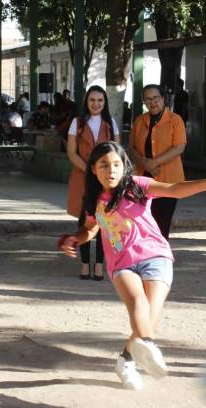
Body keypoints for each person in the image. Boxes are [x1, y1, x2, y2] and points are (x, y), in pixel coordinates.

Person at [58, 141, 206, 390]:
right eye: (104, 165)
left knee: (149, 314)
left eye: (116, 164)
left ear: (124, 167)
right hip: (122, 263)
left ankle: (126, 360)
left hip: (156, 256)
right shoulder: (95, 200)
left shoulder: (137, 186)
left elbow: (174, 189)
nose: (111, 170)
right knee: (138, 304)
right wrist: (76, 238)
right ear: (93, 169)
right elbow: (91, 228)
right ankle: (148, 348)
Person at [67, 85, 120, 280]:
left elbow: (117, 152)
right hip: (83, 177)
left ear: (104, 102)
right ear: (86, 102)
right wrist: (89, 170)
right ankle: (84, 265)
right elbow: (72, 152)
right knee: (84, 222)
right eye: (92, 100)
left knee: (104, 223)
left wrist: (102, 172)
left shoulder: (110, 123)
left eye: (100, 100)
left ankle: (99, 265)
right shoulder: (77, 122)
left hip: (105, 179)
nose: (96, 104)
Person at [129, 84, 187, 239]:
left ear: (163, 99)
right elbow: (132, 147)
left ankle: (161, 259)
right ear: (144, 102)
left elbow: (179, 147)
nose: (152, 102)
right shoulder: (140, 121)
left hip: (168, 181)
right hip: (143, 179)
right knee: (143, 221)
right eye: (148, 99)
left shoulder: (175, 120)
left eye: (155, 97)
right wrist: (144, 163)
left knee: (162, 223)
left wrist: (154, 162)